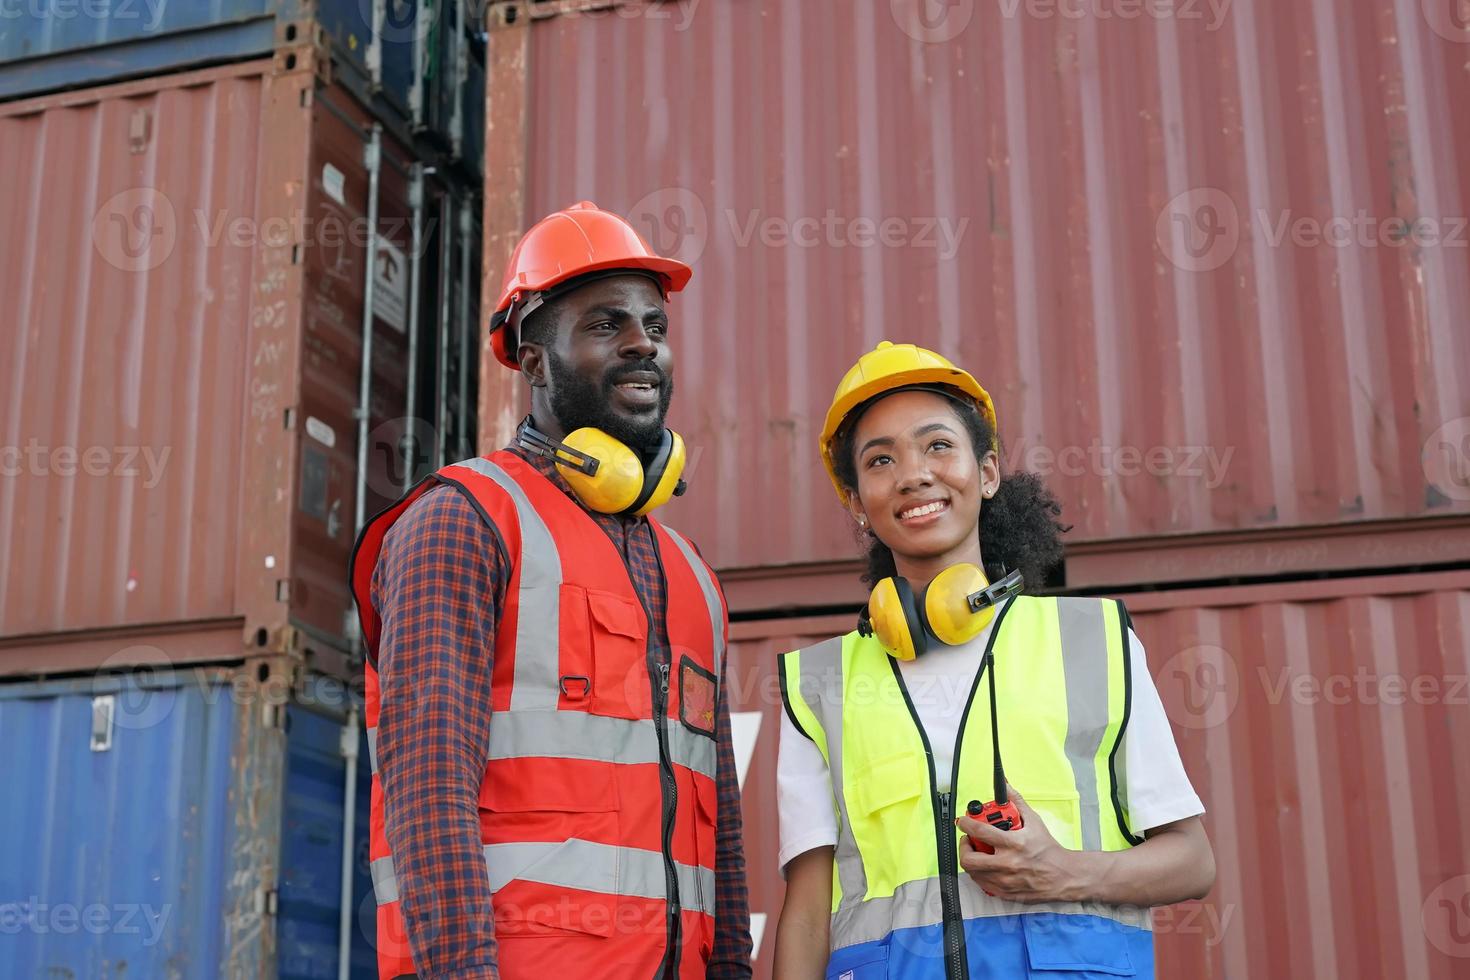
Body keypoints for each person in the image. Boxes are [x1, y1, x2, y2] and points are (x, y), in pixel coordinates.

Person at [350, 202, 753, 980]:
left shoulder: (693, 577)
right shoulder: (463, 522)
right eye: (606, 325)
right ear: (534, 362)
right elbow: (427, 797)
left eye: (655, 328)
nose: (643, 344)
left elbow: (722, 841)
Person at [772, 341, 1215, 979]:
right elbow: (809, 910)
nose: (913, 474)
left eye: (938, 446)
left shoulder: (1092, 640)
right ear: (855, 503)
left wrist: (1066, 872)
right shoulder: (817, 685)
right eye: (880, 460)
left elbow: (1194, 861)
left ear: (987, 472)